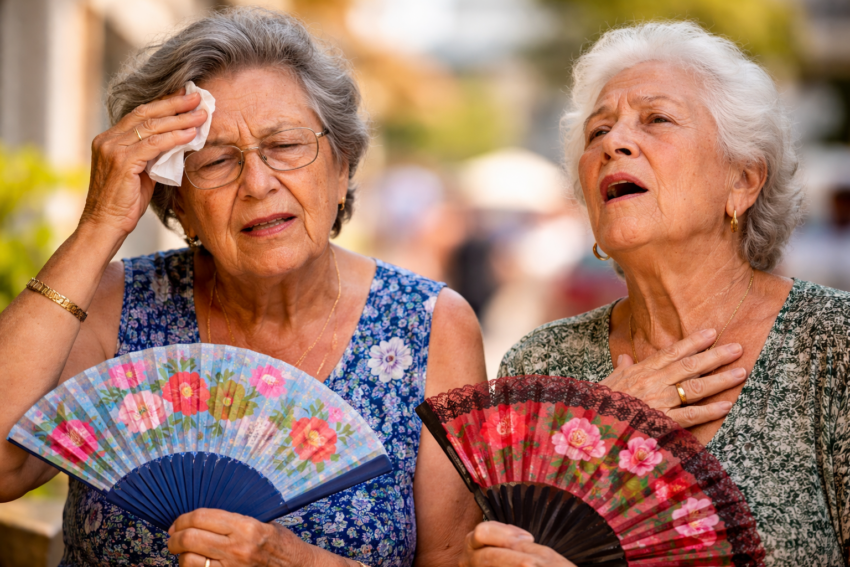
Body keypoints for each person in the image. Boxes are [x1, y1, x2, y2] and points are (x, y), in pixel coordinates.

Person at [0, 8, 486, 567]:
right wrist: (100, 224)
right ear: (176, 198)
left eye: (285, 146)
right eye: (216, 161)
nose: (257, 184)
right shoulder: (115, 305)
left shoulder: (430, 325)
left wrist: (297, 562)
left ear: (342, 166)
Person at [461, 21, 849, 567]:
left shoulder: (834, 346)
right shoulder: (540, 364)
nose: (613, 143)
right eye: (598, 132)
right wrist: (604, 428)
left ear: (742, 180)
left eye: (657, 119)